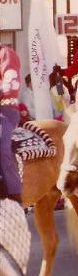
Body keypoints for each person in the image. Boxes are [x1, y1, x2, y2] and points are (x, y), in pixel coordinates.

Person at [0, 44, 22, 204]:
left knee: (2, 147)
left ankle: (13, 193)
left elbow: (11, 82)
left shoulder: (6, 53)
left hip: (5, 110)